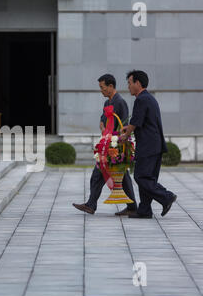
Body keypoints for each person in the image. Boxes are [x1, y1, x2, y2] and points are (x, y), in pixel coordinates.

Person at [73, 74, 137, 215]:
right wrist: (102, 127)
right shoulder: (107, 103)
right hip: (107, 144)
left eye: (102, 87)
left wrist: (118, 144)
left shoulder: (120, 102)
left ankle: (92, 205)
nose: (101, 90)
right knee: (110, 175)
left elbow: (124, 124)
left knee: (115, 175)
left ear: (110, 86)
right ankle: (130, 208)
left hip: (115, 146)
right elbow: (103, 120)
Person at [119, 70, 177, 219]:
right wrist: (129, 129)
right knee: (148, 177)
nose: (128, 86)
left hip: (148, 146)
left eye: (129, 83)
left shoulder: (141, 99)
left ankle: (166, 196)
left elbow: (136, 121)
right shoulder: (148, 98)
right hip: (154, 145)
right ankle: (144, 210)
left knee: (141, 177)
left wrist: (125, 135)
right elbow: (142, 122)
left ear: (138, 83)